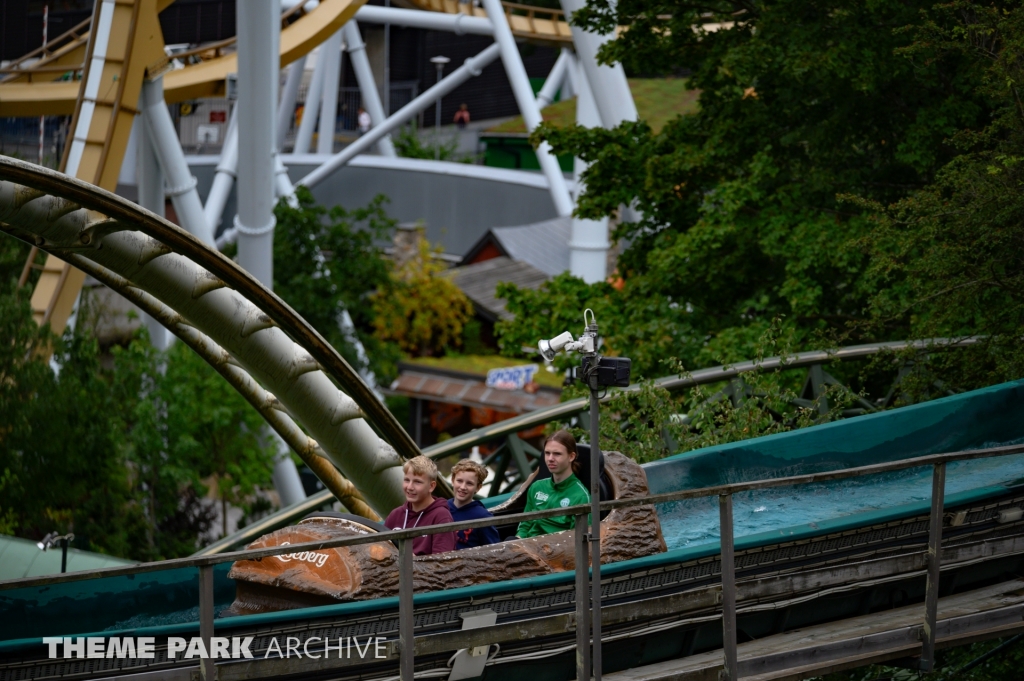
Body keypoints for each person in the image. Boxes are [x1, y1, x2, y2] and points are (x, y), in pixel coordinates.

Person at [516, 430, 590, 539]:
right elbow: (524, 526)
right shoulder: (536, 487)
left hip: (556, 547)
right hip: (527, 544)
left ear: (571, 457)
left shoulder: (581, 496)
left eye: (557, 454)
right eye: (547, 453)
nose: (550, 459)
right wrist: (516, 542)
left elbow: (578, 540)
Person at [384, 455, 456, 555]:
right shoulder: (396, 514)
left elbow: (442, 561)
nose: (410, 487)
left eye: (417, 482)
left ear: (431, 486)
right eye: (407, 480)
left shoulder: (441, 517)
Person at [447, 460, 499, 549]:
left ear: (478, 487)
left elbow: (494, 549)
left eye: (469, 483)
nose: (463, 487)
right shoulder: (441, 507)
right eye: (459, 481)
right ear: (452, 481)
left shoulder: (483, 517)